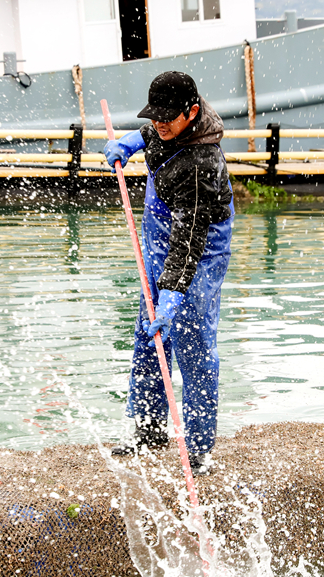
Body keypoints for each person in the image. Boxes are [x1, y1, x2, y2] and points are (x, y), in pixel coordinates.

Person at [104, 71, 234, 475]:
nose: (159, 125)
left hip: (198, 245)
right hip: (160, 233)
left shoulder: (201, 165)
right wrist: (131, 142)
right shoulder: (169, 122)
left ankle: (198, 448)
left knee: (192, 344)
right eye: (153, 117)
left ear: (191, 113)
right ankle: (149, 429)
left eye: (167, 118)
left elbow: (189, 240)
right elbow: (153, 133)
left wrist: (175, 290)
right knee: (149, 337)